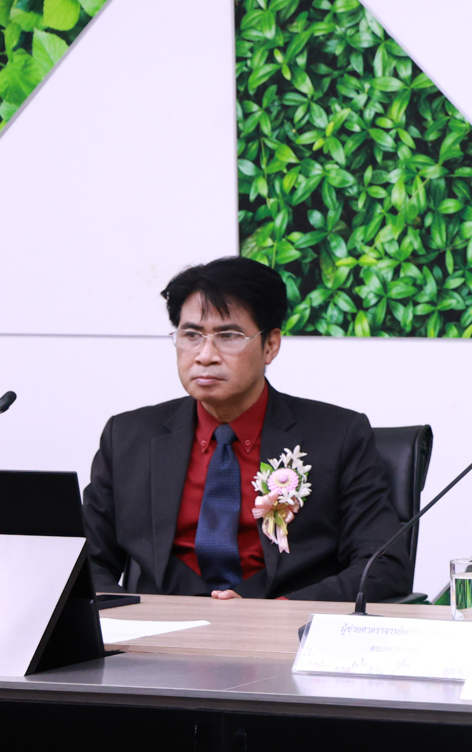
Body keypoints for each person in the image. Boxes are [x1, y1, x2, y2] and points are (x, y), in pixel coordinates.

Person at [81, 257, 411, 602]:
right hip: (157, 628)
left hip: (280, 628)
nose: (205, 355)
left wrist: (279, 612)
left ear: (270, 345)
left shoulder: (338, 435)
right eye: (191, 335)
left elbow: (383, 566)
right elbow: (84, 561)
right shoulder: (128, 436)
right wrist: (129, 615)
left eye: (228, 336)